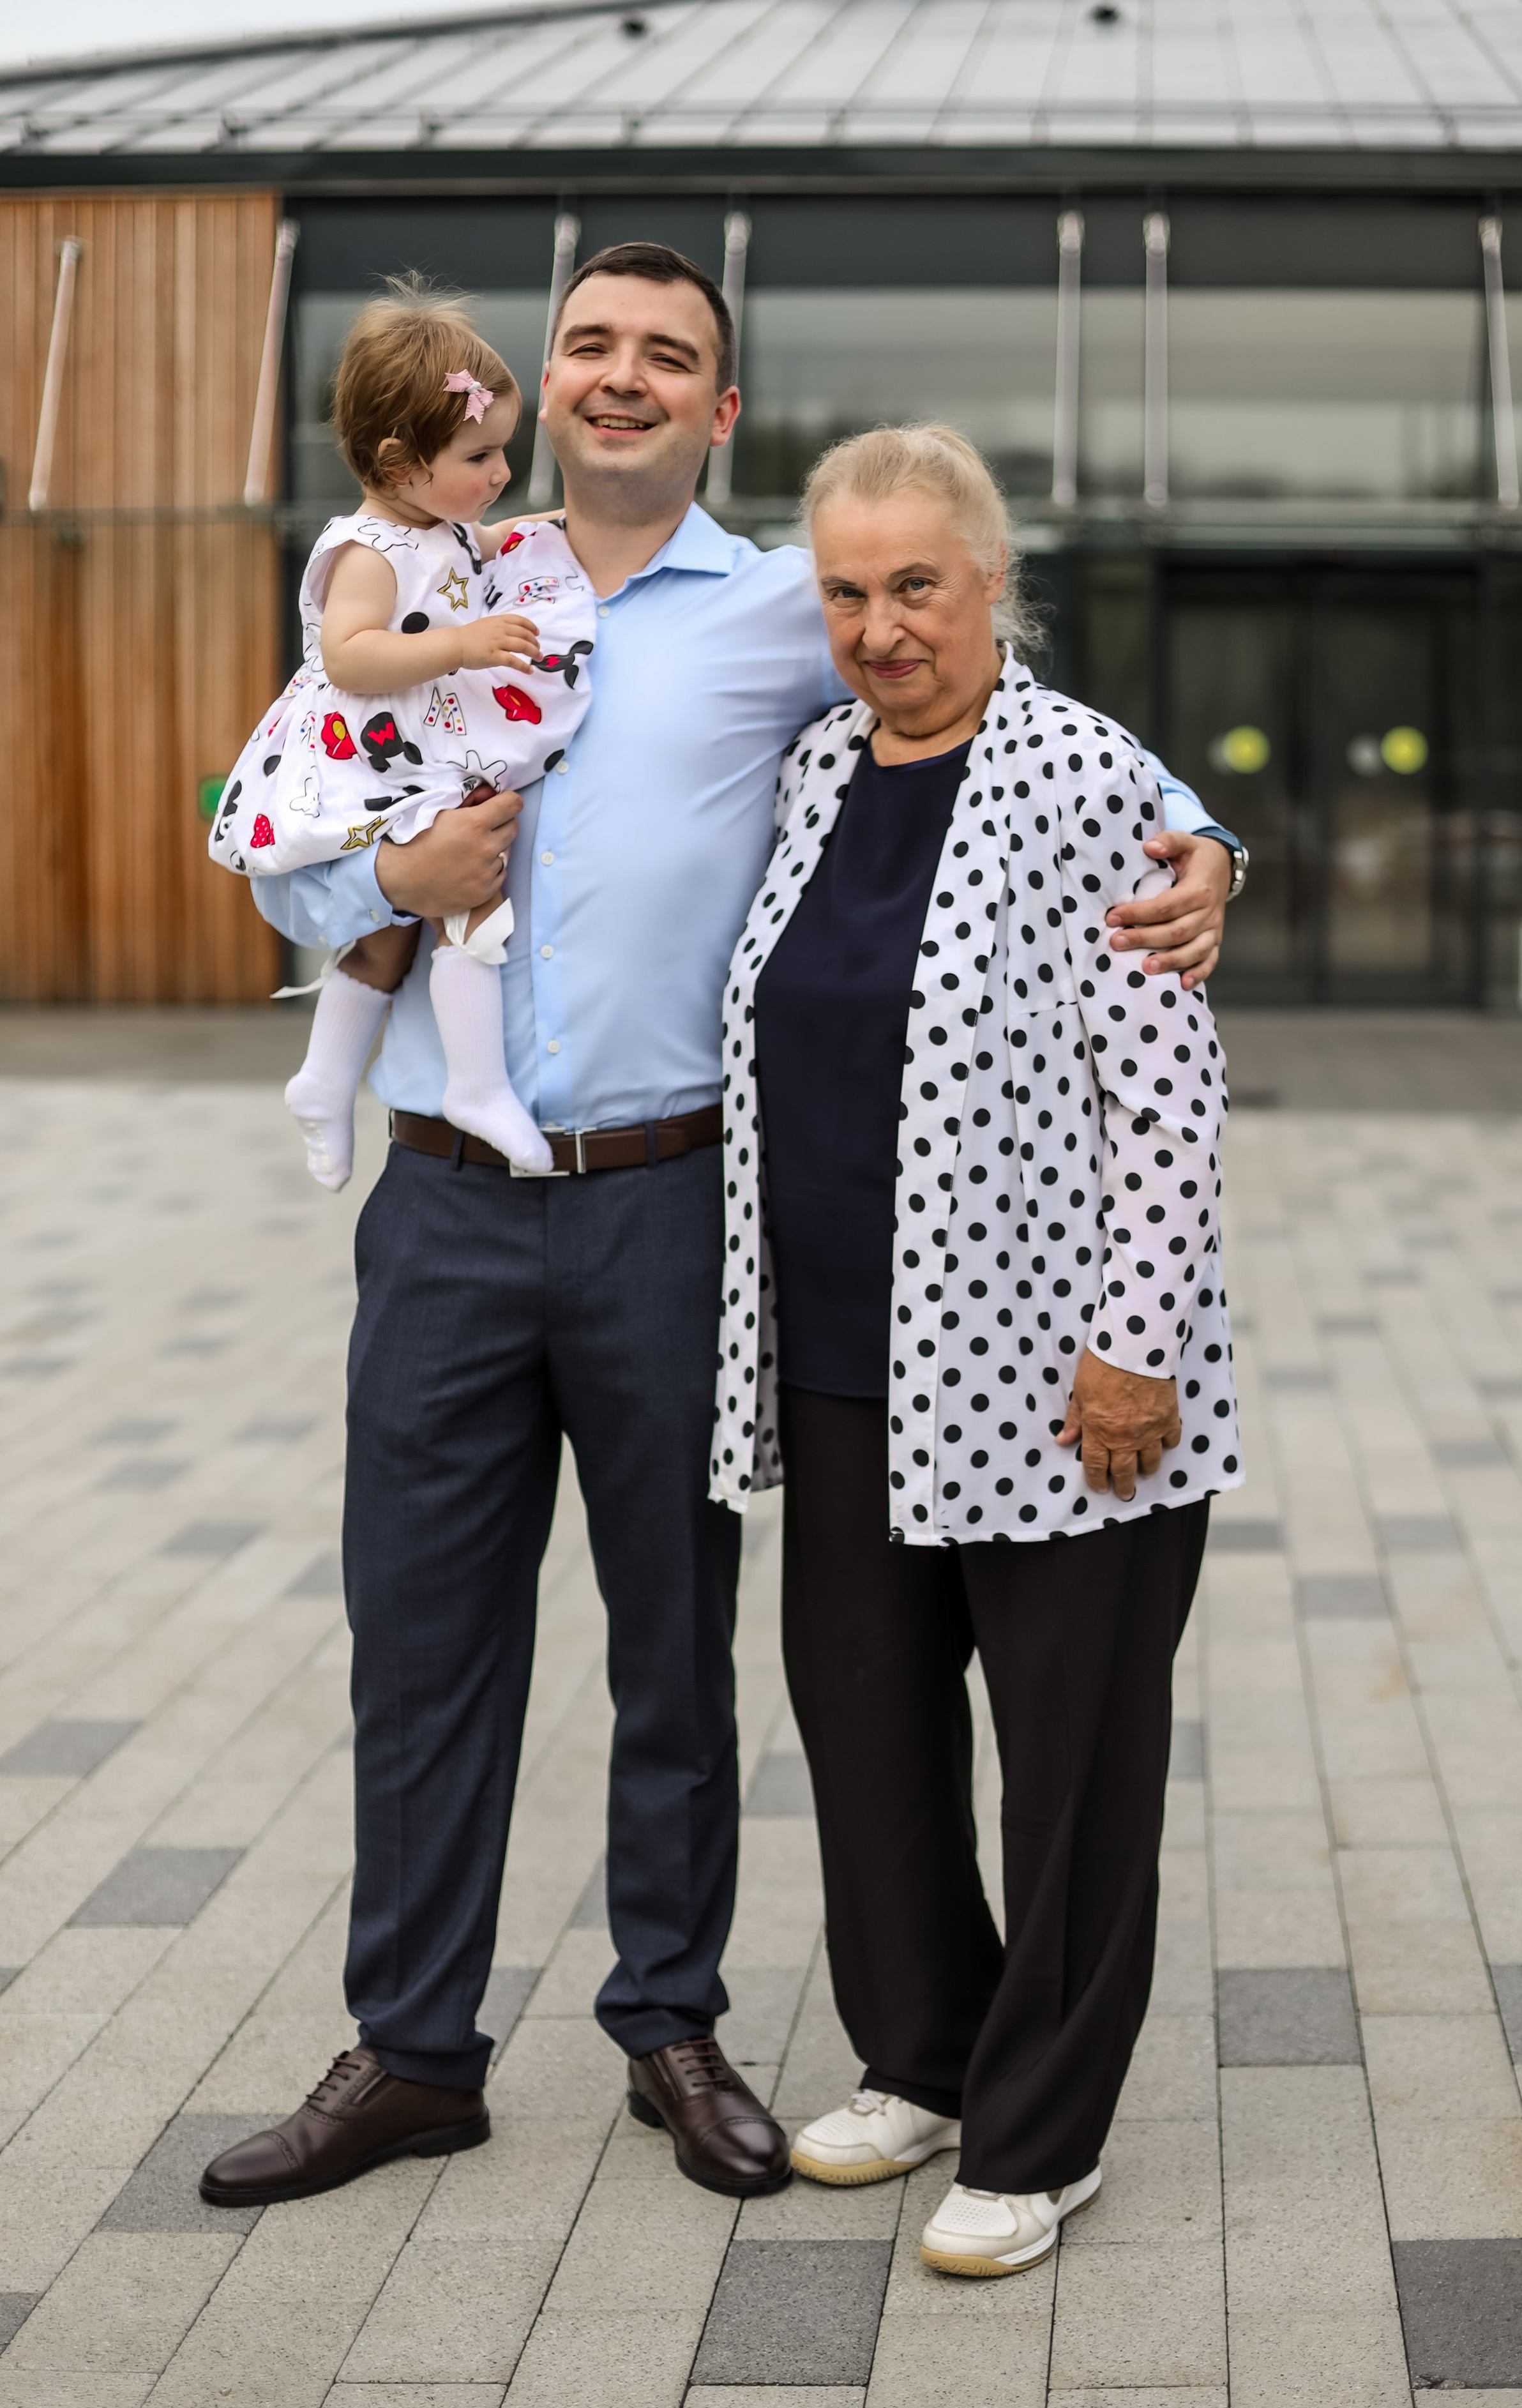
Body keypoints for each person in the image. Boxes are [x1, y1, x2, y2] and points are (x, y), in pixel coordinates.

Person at [199, 248, 1240, 2216]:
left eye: (667, 355)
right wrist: (385, 888)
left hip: (673, 1208)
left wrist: (1209, 840)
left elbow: (1017, 714)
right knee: (416, 1645)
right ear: (541, 384)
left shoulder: (786, 609)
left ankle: (669, 2022)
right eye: (591, 344)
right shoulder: (424, 578)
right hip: (443, 1201)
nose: (623, 376)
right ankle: (411, 2050)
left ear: (718, 408)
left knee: (679, 1652)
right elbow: (285, 812)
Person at [711, 424, 1240, 2275]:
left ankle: (1040, 2138)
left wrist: (1134, 1348)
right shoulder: (810, 773)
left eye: (917, 585)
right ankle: (924, 2059)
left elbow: (1169, 1104)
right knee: (865, 1734)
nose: (882, 628)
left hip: (1062, 1381)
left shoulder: (1087, 779)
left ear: (994, 584)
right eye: (847, 593)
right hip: (845, 1367)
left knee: (1072, 1769)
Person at [211, 282, 596, 1188]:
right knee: (467, 903)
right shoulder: (369, 550)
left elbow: (473, 552)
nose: (500, 472)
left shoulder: (440, 527)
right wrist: (462, 644)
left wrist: (533, 533)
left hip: (414, 746)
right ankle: (474, 1085)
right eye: (480, 454)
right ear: (398, 462)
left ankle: (324, 1079)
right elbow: (349, 656)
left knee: (395, 932)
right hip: (370, 755)